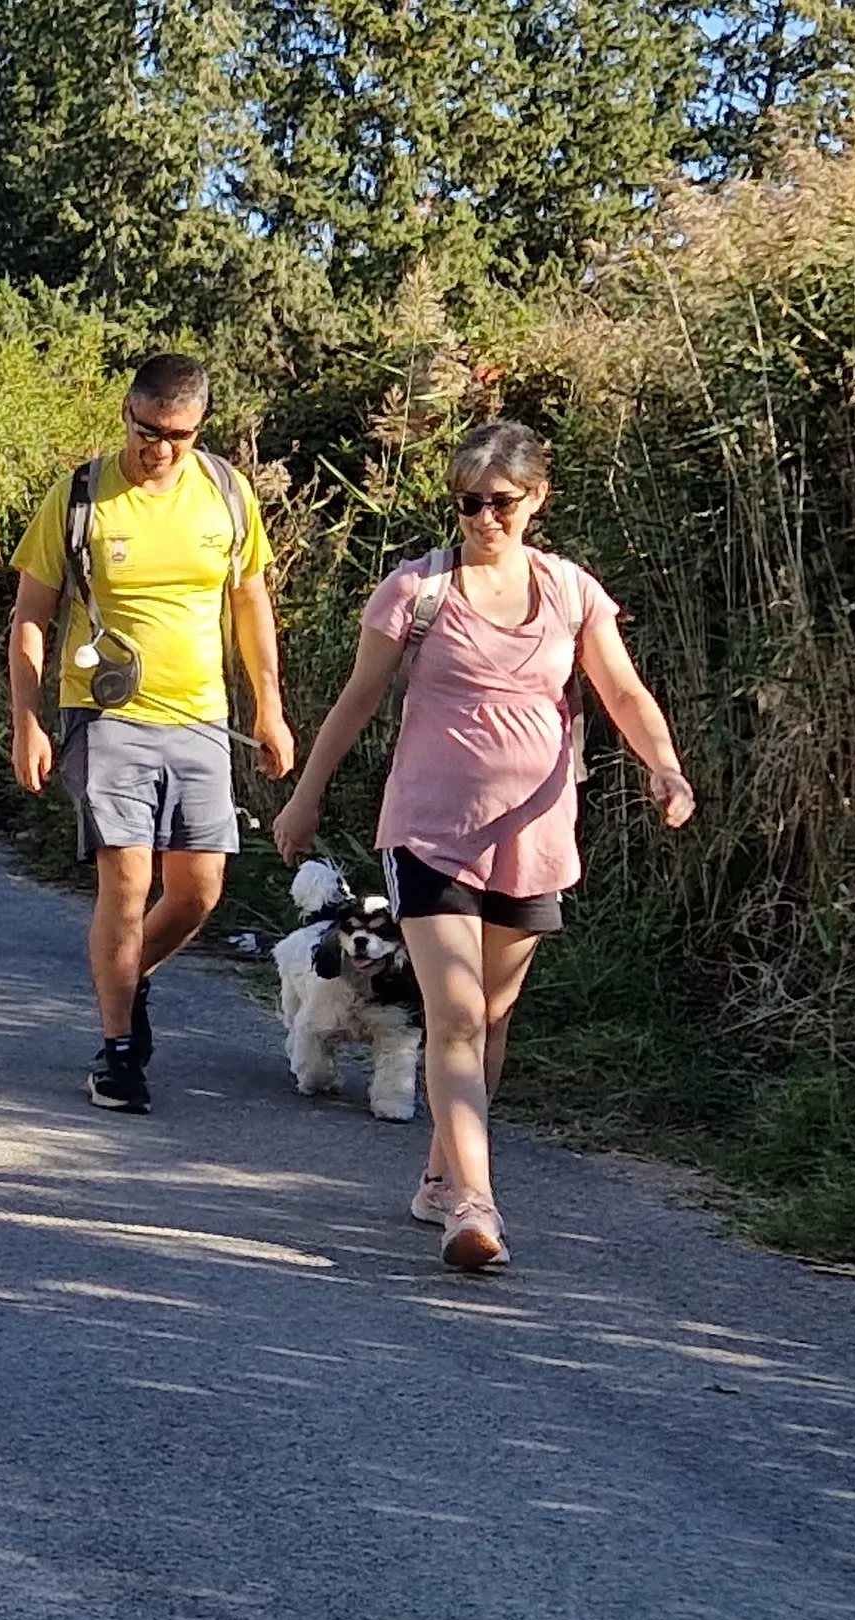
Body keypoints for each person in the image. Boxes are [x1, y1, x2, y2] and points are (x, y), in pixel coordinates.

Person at [273, 421, 695, 1272]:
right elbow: (359, 698)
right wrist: (308, 794)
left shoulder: (572, 591)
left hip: (533, 836)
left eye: (500, 502)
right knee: (457, 1019)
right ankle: (476, 1205)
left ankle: (439, 1179)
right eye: (468, 502)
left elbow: (620, 688)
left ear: (536, 498)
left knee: (491, 1020)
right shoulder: (416, 590)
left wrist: (667, 768)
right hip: (429, 833)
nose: (482, 519)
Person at [6, 352, 298, 1115]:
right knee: (127, 879)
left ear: (199, 428)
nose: (159, 449)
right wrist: (27, 723)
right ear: (126, 412)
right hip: (103, 715)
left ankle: (127, 975)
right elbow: (31, 618)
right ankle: (119, 1051)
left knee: (200, 892)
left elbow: (250, 605)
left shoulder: (227, 496)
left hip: (201, 717)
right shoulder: (80, 497)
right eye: (147, 430)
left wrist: (269, 707)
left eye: (179, 435)